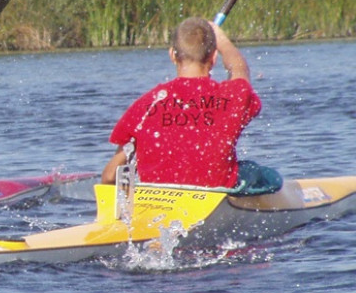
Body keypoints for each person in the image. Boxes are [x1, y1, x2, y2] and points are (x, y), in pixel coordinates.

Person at [101, 16, 281, 195]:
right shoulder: (232, 97)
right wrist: (223, 41)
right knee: (257, 173)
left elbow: (110, 176)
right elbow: (239, 70)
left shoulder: (146, 105)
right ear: (214, 57)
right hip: (214, 200)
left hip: (157, 204)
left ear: (172, 55)